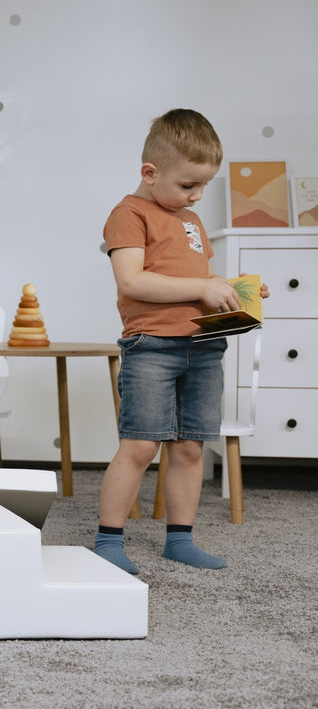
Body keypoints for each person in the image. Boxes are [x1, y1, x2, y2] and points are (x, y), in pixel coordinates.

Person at [96, 108, 269, 575]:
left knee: (192, 446)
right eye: (188, 185)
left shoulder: (189, 220)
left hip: (203, 347)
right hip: (151, 347)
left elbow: (201, 277)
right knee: (140, 446)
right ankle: (108, 540)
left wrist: (236, 289)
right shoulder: (128, 215)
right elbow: (133, 281)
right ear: (150, 173)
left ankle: (181, 538)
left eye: (203, 186)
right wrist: (201, 288)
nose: (196, 195)